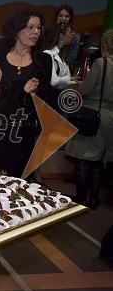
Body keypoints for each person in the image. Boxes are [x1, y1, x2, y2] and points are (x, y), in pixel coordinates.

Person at [0, 8, 52, 178]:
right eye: (30, 27)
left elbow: (43, 100)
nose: (35, 32)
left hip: (21, 131)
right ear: (17, 29)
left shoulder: (43, 61)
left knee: (17, 179)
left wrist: (30, 93)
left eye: (39, 28)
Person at [65, 29, 113, 210]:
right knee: (99, 162)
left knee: (83, 159)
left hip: (94, 116)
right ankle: (94, 199)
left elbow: (86, 89)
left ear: (105, 45)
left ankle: (80, 198)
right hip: (110, 119)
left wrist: (77, 85)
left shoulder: (102, 63)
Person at [41, 22, 82, 113]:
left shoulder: (63, 55)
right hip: (49, 101)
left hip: (61, 100)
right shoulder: (48, 54)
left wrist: (74, 81)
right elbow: (53, 81)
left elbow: (68, 79)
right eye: (69, 33)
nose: (72, 35)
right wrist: (68, 79)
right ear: (61, 36)